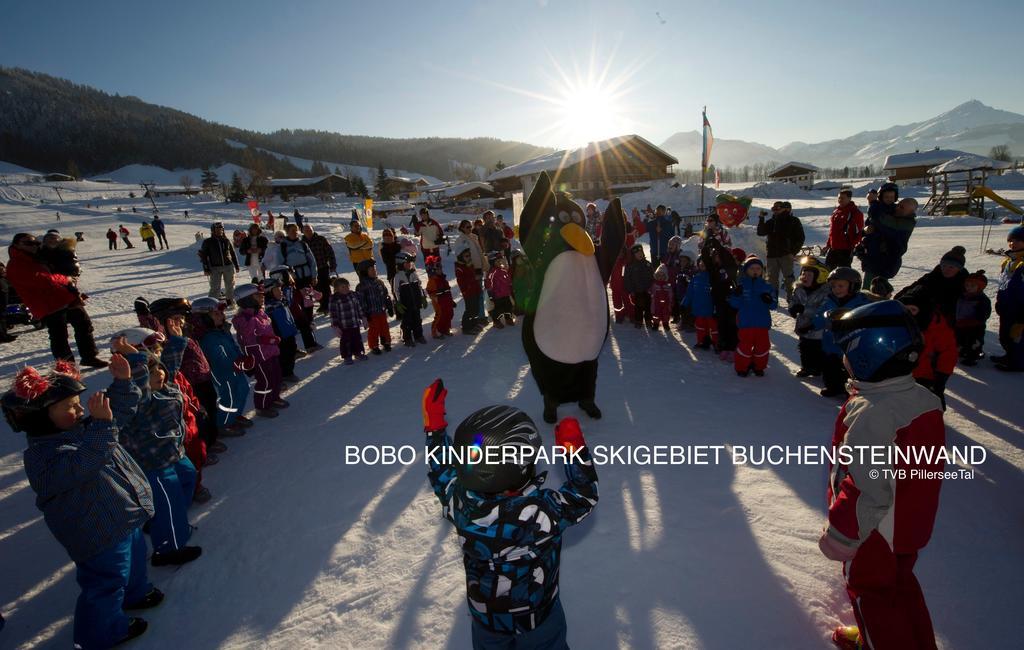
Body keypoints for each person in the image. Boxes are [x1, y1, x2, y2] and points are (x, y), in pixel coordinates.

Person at [422, 379, 598, 650]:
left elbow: (442, 471)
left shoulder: (460, 503)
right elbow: (583, 496)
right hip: (538, 619)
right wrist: (574, 450)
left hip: (486, 619)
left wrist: (435, 429)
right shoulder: (538, 513)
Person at [2, 360, 159, 648]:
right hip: (97, 532)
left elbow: (118, 416)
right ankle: (101, 633)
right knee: (106, 582)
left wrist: (124, 382)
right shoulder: (42, 456)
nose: (79, 410)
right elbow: (85, 463)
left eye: (78, 404)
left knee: (135, 558)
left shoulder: (83, 430)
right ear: (41, 417)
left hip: (123, 516)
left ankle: (136, 593)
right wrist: (101, 425)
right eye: (70, 407)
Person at [821, 300, 945, 650]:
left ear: (867, 355)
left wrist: (842, 534)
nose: (844, 360)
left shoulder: (873, 415)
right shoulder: (921, 398)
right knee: (900, 584)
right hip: (909, 521)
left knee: (871, 592)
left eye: (847, 353)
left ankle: (880, 637)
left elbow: (865, 485)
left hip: (874, 529)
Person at [107, 328, 203, 567]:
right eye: (149, 370)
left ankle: (163, 519)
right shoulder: (133, 395)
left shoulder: (163, 383)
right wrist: (136, 360)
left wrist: (176, 339)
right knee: (168, 502)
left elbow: (167, 365)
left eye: (158, 367)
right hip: (153, 463)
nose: (159, 373)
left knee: (188, 478)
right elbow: (138, 388)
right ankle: (168, 549)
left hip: (173, 454)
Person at [6, 233, 106, 366]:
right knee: (59, 336)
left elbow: (64, 265)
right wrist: (66, 279)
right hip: (47, 303)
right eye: (28, 243)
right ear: (16, 244)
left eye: (35, 243)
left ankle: (89, 356)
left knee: (84, 324)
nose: (33, 246)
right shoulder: (16, 263)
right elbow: (43, 280)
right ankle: (67, 367)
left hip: (64, 297)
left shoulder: (37, 256)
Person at [189, 297, 253, 435]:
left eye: (222, 313)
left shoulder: (222, 330)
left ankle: (234, 415)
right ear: (203, 318)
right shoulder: (206, 337)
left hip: (235, 367)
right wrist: (233, 364)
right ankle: (223, 423)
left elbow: (233, 346)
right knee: (230, 396)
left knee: (243, 389)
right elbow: (217, 357)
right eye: (217, 314)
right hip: (222, 373)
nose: (222, 316)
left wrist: (242, 358)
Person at [813, 267, 870, 398]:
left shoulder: (861, 302)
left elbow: (865, 319)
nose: (836, 289)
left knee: (848, 370)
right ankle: (832, 386)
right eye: (833, 286)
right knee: (829, 367)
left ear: (853, 286)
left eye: (841, 286)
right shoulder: (829, 301)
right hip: (830, 343)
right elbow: (820, 316)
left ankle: (847, 390)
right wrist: (813, 324)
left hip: (851, 345)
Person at [898, 287, 957, 410]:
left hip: (926, 376)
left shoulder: (937, 328)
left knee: (928, 405)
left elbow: (948, 353)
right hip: (901, 374)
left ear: (924, 311)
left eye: (913, 310)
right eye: (906, 309)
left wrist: (941, 377)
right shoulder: (900, 324)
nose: (908, 314)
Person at [232, 283, 286, 417]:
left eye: (262, 295)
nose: (262, 297)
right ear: (246, 299)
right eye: (257, 295)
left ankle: (274, 397)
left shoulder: (260, 312)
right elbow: (247, 339)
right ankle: (262, 406)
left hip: (271, 352)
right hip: (259, 357)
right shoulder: (243, 319)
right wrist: (265, 340)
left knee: (277, 377)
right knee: (265, 381)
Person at [728, 256, 777, 376]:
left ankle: (758, 366)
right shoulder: (742, 285)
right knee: (744, 347)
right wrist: (735, 295)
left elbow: (774, 305)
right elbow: (734, 304)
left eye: (758, 268)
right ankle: (742, 367)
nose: (755, 271)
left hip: (762, 323)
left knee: (763, 347)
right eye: (752, 268)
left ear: (762, 271)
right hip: (746, 322)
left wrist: (769, 300)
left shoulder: (767, 286)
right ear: (746, 271)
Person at [858, 192, 917, 287]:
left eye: (902, 208)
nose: (897, 208)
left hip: (885, 264)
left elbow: (880, 220)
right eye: (898, 205)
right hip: (875, 261)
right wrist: (865, 231)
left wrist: (873, 202)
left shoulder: (905, 224)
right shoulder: (895, 216)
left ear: (910, 212)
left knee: (875, 293)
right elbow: (872, 228)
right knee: (869, 290)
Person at [756, 201, 805, 303]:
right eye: (774, 209)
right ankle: (773, 297)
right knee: (771, 278)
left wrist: (793, 252)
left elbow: (800, 238)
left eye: (778, 208)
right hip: (772, 254)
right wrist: (761, 218)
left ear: (784, 209)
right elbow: (760, 232)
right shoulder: (771, 221)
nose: (775, 211)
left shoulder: (793, 220)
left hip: (786, 254)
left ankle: (792, 297)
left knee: (789, 277)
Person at [789, 255, 830, 377]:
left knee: (818, 350)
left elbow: (824, 310)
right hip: (803, 327)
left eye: (809, 275)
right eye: (803, 274)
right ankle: (806, 367)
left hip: (818, 330)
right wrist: (792, 308)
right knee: (804, 349)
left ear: (820, 277)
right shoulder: (798, 289)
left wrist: (804, 310)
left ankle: (818, 368)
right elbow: (794, 301)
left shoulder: (825, 292)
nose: (804, 277)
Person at [993, 225, 1024, 371]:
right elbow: (1003, 284)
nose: (1013, 243)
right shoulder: (1008, 261)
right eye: (1011, 240)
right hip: (1007, 306)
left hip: (1020, 308)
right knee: (1005, 335)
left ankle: (1018, 363)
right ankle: (1009, 355)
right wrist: (1000, 301)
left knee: (1018, 336)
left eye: (1018, 240)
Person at [454, 219, 489, 326]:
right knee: (475, 295)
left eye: (470, 226)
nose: (470, 228)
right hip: (471, 270)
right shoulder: (461, 240)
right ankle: (477, 316)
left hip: (478, 267)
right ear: (462, 228)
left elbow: (479, 252)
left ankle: (480, 315)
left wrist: (484, 265)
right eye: (467, 227)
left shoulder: (473, 236)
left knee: (480, 293)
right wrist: (470, 268)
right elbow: (462, 256)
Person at [355, 260, 394, 354]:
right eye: (371, 270)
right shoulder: (362, 286)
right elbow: (361, 301)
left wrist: (389, 306)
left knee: (384, 327)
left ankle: (386, 342)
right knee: (374, 329)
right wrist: (365, 313)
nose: (374, 271)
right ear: (364, 272)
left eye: (375, 269)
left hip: (381, 310)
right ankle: (374, 345)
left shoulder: (379, 282)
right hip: (371, 313)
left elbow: (385, 295)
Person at [198, 222, 240, 306]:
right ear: (213, 230)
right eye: (217, 229)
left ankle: (230, 301)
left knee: (230, 286)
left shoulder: (226, 240)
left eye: (221, 229)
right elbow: (204, 256)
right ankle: (212, 303)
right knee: (215, 287)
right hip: (215, 267)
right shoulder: (208, 241)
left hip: (228, 266)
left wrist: (236, 265)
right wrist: (206, 268)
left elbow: (232, 253)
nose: (219, 231)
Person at [329, 277, 367, 364]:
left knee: (357, 339)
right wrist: (335, 326)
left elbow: (358, 307)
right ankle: (347, 356)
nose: (346, 288)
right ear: (336, 289)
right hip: (343, 325)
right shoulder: (334, 299)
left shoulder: (353, 295)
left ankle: (358, 353)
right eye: (342, 287)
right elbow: (333, 313)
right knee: (346, 341)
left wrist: (363, 317)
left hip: (354, 323)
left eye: (347, 286)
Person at [393, 252, 427, 346]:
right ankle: (407, 338)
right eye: (407, 263)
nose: (409, 265)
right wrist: (398, 303)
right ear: (400, 264)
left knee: (417, 320)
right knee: (407, 321)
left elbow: (419, 286)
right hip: (406, 304)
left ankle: (418, 335)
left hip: (416, 301)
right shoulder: (398, 276)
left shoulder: (413, 274)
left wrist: (423, 297)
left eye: (410, 263)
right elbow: (396, 291)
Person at [300, 225, 336, 313]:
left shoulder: (321, 239)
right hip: (310, 270)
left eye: (310, 230)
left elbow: (330, 252)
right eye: (306, 231)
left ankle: (327, 305)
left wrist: (332, 264)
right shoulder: (302, 242)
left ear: (313, 230)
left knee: (325, 286)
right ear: (303, 232)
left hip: (322, 266)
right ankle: (322, 304)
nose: (308, 232)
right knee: (316, 288)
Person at [825, 190, 864, 270]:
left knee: (843, 273)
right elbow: (832, 231)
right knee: (827, 271)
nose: (840, 200)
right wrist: (828, 244)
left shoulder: (855, 213)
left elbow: (860, 232)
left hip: (845, 250)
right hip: (833, 248)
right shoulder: (836, 212)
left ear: (849, 198)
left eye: (842, 198)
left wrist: (852, 246)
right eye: (839, 198)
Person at [683, 258, 717, 349]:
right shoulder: (696, 278)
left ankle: (716, 343)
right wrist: (685, 303)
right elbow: (690, 292)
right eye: (701, 263)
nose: (702, 265)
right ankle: (702, 341)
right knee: (700, 326)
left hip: (710, 308)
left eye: (705, 263)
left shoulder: (713, 277)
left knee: (713, 327)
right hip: (698, 307)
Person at [454, 245, 483, 335]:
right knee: (470, 310)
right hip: (468, 292)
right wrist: (474, 278)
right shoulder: (460, 268)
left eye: (469, 255)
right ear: (460, 257)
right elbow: (462, 281)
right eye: (466, 256)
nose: (469, 257)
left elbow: (473, 275)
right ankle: (466, 327)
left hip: (475, 290)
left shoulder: (469, 264)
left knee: (475, 309)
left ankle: (473, 324)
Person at [624, 243, 654, 329]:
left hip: (647, 289)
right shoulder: (630, 266)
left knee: (648, 305)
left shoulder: (648, 264)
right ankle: (638, 320)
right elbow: (627, 279)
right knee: (638, 306)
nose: (639, 254)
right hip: (637, 290)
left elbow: (652, 276)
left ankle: (648, 320)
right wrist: (630, 290)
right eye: (637, 253)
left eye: (641, 252)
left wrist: (651, 287)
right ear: (633, 255)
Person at [279, 224, 318, 289]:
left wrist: (314, 276)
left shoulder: (303, 244)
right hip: (292, 277)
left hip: (306, 275)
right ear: (287, 232)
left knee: (308, 297)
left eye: (296, 230)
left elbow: (312, 261)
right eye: (292, 230)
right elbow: (280, 262)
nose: (295, 232)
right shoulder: (283, 246)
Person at [425, 255, 455, 338]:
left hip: (447, 301)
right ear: (432, 270)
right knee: (440, 315)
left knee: (449, 314)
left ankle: (446, 329)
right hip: (439, 302)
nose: (441, 269)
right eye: (438, 268)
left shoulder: (443, 279)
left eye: (441, 267)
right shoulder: (433, 281)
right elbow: (429, 291)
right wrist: (435, 297)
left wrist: (451, 301)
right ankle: (436, 331)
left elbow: (448, 291)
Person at [485, 252, 515, 328]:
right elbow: (489, 283)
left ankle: (508, 318)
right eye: (497, 261)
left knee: (508, 306)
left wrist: (510, 285)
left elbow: (507, 279)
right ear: (492, 262)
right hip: (497, 295)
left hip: (506, 293)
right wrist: (490, 294)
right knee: (498, 309)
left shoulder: (503, 270)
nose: (500, 262)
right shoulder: (492, 272)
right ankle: (496, 321)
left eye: (500, 261)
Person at [650, 264, 674, 331]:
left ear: (665, 276)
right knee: (656, 314)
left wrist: (671, 301)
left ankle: (665, 324)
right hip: (656, 303)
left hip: (666, 303)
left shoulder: (667, 285)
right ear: (656, 276)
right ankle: (656, 324)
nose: (660, 277)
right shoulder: (654, 285)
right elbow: (652, 292)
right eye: (659, 275)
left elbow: (670, 294)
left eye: (662, 275)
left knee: (665, 314)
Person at [0, 261, 14, 343]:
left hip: (3, 288)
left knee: (3, 313)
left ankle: (4, 334)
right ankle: (2, 336)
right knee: (1, 314)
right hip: (1, 289)